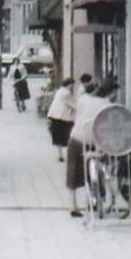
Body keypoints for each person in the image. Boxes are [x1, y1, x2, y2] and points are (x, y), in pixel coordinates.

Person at [67, 78, 113, 217]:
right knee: (98, 169)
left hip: (78, 138)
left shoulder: (82, 100)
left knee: (73, 172)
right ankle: (97, 199)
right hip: (97, 141)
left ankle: (73, 205)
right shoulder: (107, 104)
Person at [46, 76, 77, 162]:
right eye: (72, 85)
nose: (72, 87)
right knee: (66, 136)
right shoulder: (66, 93)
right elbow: (74, 104)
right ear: (69, 84)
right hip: (63, 117)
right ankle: (65, 155)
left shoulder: (59, 91)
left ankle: (60, 155)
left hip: (55, 115)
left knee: (58, 137)